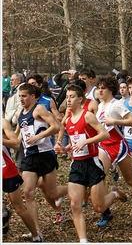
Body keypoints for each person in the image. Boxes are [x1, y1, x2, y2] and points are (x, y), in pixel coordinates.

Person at [54, 84, 127, 243]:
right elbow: (76, 142)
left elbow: (105, 134)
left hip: (93, 163)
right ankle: (83, 240)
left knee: (99, 208)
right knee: (75, 205)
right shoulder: (68, 121)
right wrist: (65, 149)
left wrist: (87, 141)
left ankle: (115, 193)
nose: (68, 100)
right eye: (67, 97)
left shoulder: (87, 116)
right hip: (77, 165)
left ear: (80, 99)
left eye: (72, 97)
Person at [95, 76, 132, 226]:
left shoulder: (116, 105)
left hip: (119, 145)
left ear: (110, 89)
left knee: (129, 179)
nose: (99, 90)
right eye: (98, 87)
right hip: (104, 146)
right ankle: (106, 212)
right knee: (100, 177)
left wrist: (114, 121)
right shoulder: (100, 106)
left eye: (102, 88)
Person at [15, 83, 61, 238]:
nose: (21, 99)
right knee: (28, 193)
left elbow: (56, 126)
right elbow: (18, 138)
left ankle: (77, 187)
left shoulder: (39, 109)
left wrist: (38, 137)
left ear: (33, 96)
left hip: (45, 154)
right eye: (19, 96)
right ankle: (36, 232)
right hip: (29, 157)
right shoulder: (19, 114)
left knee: (52, 193)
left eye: (24, 96)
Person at [2, 118, 43, 242]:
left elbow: (15, 144)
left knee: (19, 208)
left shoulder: (2, 123)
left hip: (7, 171)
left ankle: (36, 236)